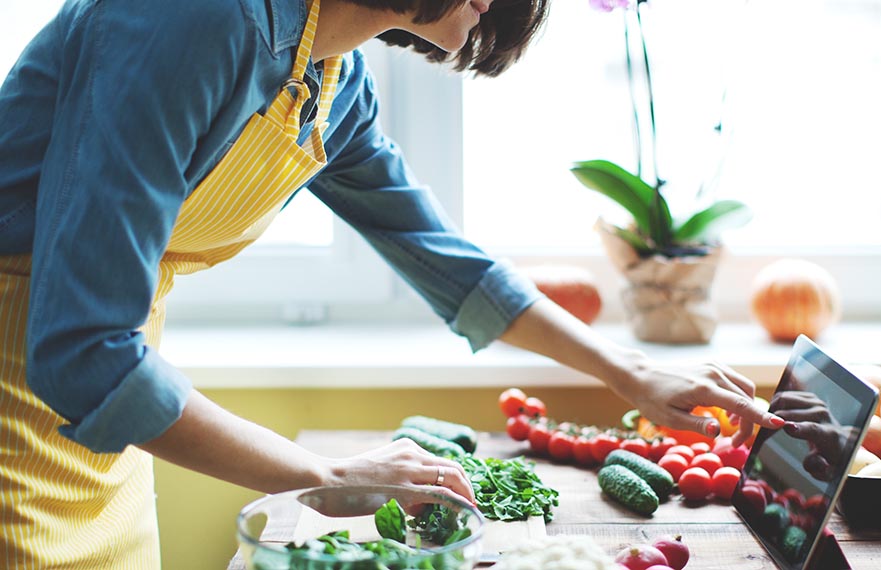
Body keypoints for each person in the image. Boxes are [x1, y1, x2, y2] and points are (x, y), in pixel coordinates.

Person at [0, 0, 785, 566]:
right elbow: (82, 352)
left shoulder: (330, 80)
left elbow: (444, 260)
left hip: (104, 438)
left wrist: (633, 369)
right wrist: (328, 476)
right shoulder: (190, 19)